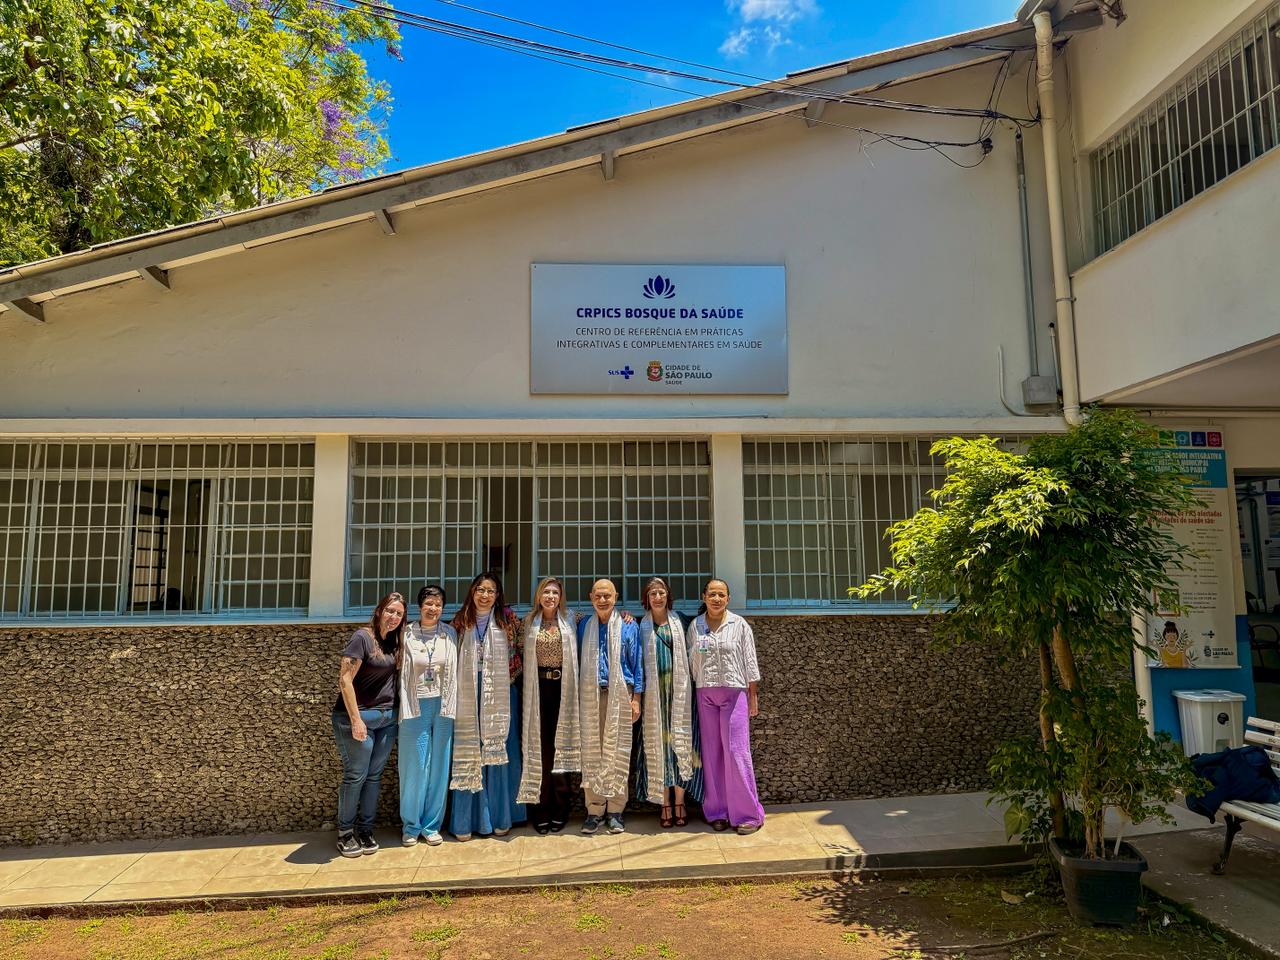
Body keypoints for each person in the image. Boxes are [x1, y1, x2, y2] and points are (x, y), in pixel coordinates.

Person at [448, 572, 527, 839]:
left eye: (491, 591)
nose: (485, 595)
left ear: (497, 595)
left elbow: (523, 647)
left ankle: (502, 815)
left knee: (501, 749)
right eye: (481, 589)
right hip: (468, 691)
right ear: (472, 591)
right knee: (471, 750)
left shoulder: (508, 620)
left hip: (502, 693)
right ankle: (468, 820)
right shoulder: (460, 622)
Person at [689, 578, 765, 835]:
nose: (716, 599)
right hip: (705, 693)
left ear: (728, 598)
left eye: (721, 595)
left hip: (734, 694)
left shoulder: (739, 625)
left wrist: (752, 695)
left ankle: (747, 814)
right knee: (712, 754)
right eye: (712, 594)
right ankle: (717, 811)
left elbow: (750, 661)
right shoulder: (696, 626)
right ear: (704, 597)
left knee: (736, 752)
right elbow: (692, 663)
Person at [333, 591, 405, 858]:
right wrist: (355, 720)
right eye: (390, 610)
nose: (394, 616)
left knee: (374, 776)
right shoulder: (362, 638)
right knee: (356, 776)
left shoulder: (394, 642)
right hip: (358, 718)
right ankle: (345, 833)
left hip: (386, 720)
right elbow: (344, 680)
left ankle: (365, 830)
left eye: (399, 613)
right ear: (379, 611)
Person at [634, 577, 703, 828]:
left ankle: (680, 801)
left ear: (668, 596)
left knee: (681, 745)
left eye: (661, 592)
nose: (657, 597)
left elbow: (702, 627)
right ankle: (664, 803)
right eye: (652, 593)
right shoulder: (640, 624)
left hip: (681, 696)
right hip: (655, 698)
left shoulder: (682, 621)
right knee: (660, 749)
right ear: (646, 599)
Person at [577, 578, 642, 835]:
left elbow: (637, 663)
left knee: (617, 751)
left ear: (615, 597)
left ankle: (615, 810)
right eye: (598, 595)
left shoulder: (629, 625)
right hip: (590, 693)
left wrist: (636, 698)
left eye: (608, 596)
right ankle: (594, 810)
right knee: (591, 752)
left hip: (620, 693)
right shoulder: (583, 625)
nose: (603, 600)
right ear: (591, 597)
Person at [517, 577, 582, 834]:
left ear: (560, 596)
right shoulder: (527, 622)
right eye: (546, 591)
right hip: (537, 690)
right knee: (541, 752)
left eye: (555, 592)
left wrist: (626, 615)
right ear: (539, 595)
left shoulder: (573, 620)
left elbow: (603, 619)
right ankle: (540, 808)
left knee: (562, 748)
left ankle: (560, 808)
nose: (551, 596)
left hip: (564, 690)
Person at [397, 584, 457, 847]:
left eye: (438, 604)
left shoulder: (449, 633)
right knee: (415, 766)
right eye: (428, 603)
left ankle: (432, 825)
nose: (433, 608)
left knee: (439, 768)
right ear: (419, 607)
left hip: (443, 706)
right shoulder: (407, 633)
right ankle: (411, 825)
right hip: (415, 705)